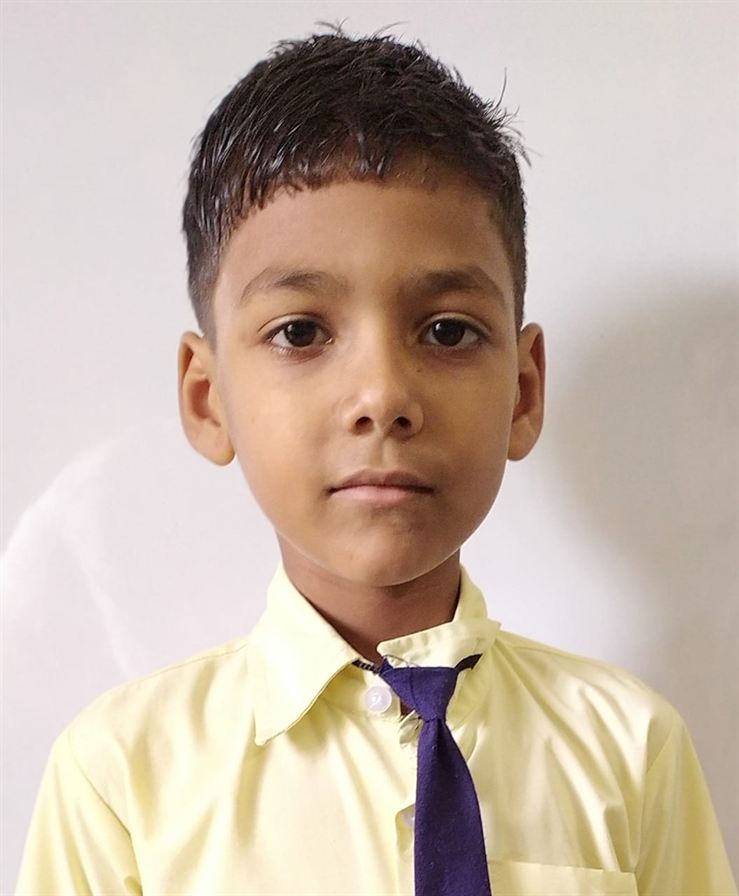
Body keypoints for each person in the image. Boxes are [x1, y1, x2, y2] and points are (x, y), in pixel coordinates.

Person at [15, 25, 736, 896]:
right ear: (208, 399)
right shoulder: (121, 781)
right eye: (300, 332)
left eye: (447, 331)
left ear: (522, 390)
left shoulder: (629, 750)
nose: (382, 395)